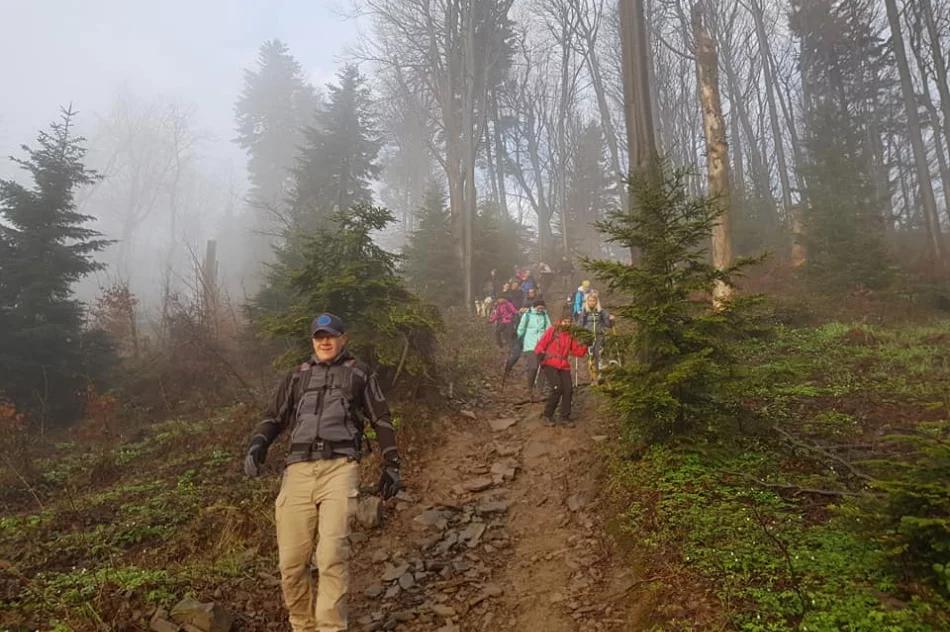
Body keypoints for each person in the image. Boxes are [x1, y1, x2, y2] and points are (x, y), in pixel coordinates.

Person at [243, 313, 401, 632]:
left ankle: (330, 628)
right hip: (297, 471)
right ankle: (302, 626)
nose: (324, 341)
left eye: (330, 335)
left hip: (339, 468)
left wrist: (392, 463)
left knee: (330, 555)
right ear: (312, 340)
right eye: (318, 336)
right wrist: (258, 444)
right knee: (291, 564)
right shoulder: (296, 377)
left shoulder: (360, 373)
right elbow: (274, 417)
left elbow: (380, 417)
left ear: (344, 338)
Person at [534, 307, 588, 425]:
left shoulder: (571, 334)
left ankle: (565, 417)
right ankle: (548, 415)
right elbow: (540, 344)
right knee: (557, 388)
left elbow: (577, 352)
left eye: (569, 322)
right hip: (549, 363)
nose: (567, 324)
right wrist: (540, 352)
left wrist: (585, 345)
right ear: (561, 320)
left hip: (563, 364)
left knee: (568, 390)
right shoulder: (553, 330)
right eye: (565, 321)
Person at [517, 299, 553, 395]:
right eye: (539, 307)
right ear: (535, 306)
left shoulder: (545, 316)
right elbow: (521, 328)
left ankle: (539, 390)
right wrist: (516, 336)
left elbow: (549, 329)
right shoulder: (527, 315)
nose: (540, 309)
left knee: (543, 367)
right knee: (533, 367)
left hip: (543, 345)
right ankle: (530, 387)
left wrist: (550, 340)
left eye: (542, 307)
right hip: (530, 345)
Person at [578, 291, 614, 377]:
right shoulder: (584, 312)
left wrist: (611, 320)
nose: (592, 302)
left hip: (599, 336)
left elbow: (608, 325)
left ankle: (600, 374)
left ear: (597, 301)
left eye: (593, 300)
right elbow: (580, 324)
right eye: (590, 300)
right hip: (588, 337)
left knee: (599, 354)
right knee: (591, 356)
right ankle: (592, 375)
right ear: (587, 302)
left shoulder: (601, 312)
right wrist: (580, 335)